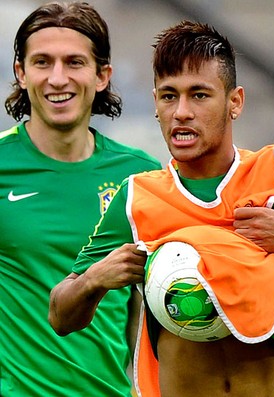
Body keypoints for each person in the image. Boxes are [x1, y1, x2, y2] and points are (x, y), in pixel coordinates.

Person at [49, 20, 274, 397]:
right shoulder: (137, 198)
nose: (181, 112)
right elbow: (60, 316)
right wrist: (94, 279)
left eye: (199, 95)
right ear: (155, 103)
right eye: (169, 96)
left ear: (235, 102)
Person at [0, 2, 161, 396]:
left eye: (74, 62)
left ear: (102, 75)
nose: (58, 78)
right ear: (21, 73)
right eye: (42, 62)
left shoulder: (141, 174)